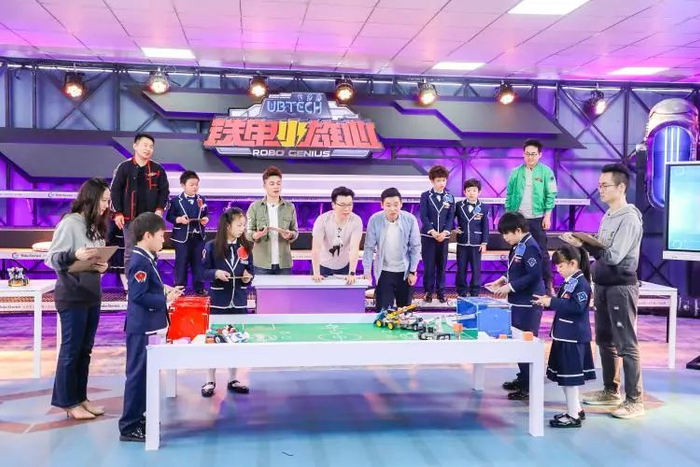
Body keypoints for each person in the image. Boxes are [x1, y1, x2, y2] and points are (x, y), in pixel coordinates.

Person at [562, 163, 644, 419]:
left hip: (621, 286)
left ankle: (635, 400)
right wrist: (581, 243)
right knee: (605, 340)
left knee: (626, 344)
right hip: (604, 285)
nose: (601, 189)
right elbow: (602, 246)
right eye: (599, 185)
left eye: (605, 185)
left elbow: (613, 256)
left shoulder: (629, 218)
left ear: (621, 187)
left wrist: (587, 245)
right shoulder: (609, 214)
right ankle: (611, 390)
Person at [46, 178, 111, 420]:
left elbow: (95, 258)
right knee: (71, 350)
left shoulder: (95, 225)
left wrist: (102, 265)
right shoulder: (69, 223)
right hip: (72, 296)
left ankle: (81, 398)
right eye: (104, 200)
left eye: (108, 201)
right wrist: (75, 254)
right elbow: (52, 258)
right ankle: (68, 401)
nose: (106, 205)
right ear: (91, 198)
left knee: (85, 351)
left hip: (92, 294)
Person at [118, 213, 183, 442]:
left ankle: (138, 417)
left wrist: (164, 289)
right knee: (136, 375)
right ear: (147, 236)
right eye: (161, 236)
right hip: (141, 327)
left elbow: (148, 286)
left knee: (144, 374)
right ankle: (129, 425)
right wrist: (165, 300)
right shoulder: (139, 261)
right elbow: (138, 295)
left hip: (146, 326)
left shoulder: (145, 257)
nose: (163, 240)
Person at [532, 244, 595, 428]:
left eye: (560, 266)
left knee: (570, 378)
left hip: (572, 337)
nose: (558, 270)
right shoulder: (571, 281)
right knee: (566, 377)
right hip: (565, 335)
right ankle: (575, 410)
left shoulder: (581, 283)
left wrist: (551, 301)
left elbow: (577, 307)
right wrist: (549, 301)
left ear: (573, 263)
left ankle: (573, 415)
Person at [485, 212, 544, 401]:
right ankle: (523, 377)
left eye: (506, 233)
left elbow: (533, 275)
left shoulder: (531, 247)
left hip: (528, 303)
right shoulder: (519, 245)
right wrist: (502, 280)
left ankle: (529, 385)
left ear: (518, 230)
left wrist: (509, 287)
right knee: (518, 342)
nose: (504, 238)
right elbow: (516, 269)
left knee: (526, 344)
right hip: (517, 302)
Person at [201, 208, 254, 397]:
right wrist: (215, 273)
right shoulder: (211, 246)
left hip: (238, 301)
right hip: (218, 302)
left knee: (236, 340)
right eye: (239, 225)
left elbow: (250, 270)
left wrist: (247, 277)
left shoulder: (246, 247)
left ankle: (233, 378)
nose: (242, 228)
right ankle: (210, 380)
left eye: (244, 225)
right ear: (228, 226)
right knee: (213, 340)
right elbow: (202, 272)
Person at [110, 133, 169, 282]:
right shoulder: (124, 167)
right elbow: (115, 191)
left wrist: (159, 210)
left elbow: (164, 192)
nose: (148, 149)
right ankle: (132, 285)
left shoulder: (158, 169)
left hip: (151, 220)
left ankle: (150, 283)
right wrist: (118, 213)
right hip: (129, 218)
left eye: (151, 147)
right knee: (130, 252)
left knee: (152, 251)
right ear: (135, 146)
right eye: (145, 145)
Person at [505, 139, 557, 294]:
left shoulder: (546, 172)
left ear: (540, 155)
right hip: (518, 218)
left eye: (533, 154)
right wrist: (508, 216)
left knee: (542, 252)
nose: (530, 157)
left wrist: (547, 216)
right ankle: (515, 283)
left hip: (537, 217)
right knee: (517, 252)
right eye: (527, 154)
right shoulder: (515, 172)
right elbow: (509, 195)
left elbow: (551, 195)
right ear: (523, 154)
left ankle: (547, 285)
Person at [362, 188, 421, 312]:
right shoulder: (375, 220)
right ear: (382, 205)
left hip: (405, 272)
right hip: (384, 272)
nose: (392, 209)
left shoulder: (410, 219)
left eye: (396, 205)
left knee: (405, 312)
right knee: (383, 312)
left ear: (401, 204)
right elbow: (369, 247)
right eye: (388, 205)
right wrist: (367, 271)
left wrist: (413, 271)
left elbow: (415, 247)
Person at [245, 166, 299, 275]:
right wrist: (257, 235)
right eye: (272, 183)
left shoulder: (290, 207)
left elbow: (295, 232)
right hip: (261, 263)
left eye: (278, 183)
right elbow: (247, 232)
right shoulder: (255, 207)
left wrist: (290, 235)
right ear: (264, 186)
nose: (276, 186)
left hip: (284, 264)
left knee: (285, 287)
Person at [166, 170, 209, 295]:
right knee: (181, 262)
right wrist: (179, 219)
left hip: (198, 236)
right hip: (182, 238)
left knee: (198, 263)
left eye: (196, 184)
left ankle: (199, 288)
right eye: (192, 184)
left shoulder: (201, 199)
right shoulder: (176, 201)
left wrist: (205, 220)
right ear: (183, 185)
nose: (195, 187)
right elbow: (169, 217)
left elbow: (205, 214)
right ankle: (179, 288)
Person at [419, 165, 455, 303]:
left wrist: (445, 232)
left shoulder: (450, 197)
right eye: (438, 180)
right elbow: (423, 216)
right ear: (432, 181)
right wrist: (433, 232)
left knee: (442, 266)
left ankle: (441, 293)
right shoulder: (425, 196)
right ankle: (428, 292)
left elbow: (450, 217)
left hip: (444, 238)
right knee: (429, 266)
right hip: (429, 237)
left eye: (443, 180)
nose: (441, 183)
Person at [311, 186, 363, 283]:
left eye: (350, 205)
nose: (347, 209)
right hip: (322, 266)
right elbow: (316, 248)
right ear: (333, 205)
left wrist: (352, 273)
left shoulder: (356, 221)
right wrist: (316, 273)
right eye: (342, 205)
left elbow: (354, 248)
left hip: (344, 266)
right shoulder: (322, 220)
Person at [454, 178, 489, 297]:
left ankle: (475, 292)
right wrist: (454, 228)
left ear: (479, 192)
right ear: (464, 192)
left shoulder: (483, 207)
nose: (471, 193)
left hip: (476, 243)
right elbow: (450, 218)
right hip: (462, 243)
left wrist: (484, 243)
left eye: (474, 190)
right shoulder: (459, 205)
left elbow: (485, 226)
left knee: (476, 269)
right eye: (469, 190)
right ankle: (461, 291)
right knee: (461, 268)